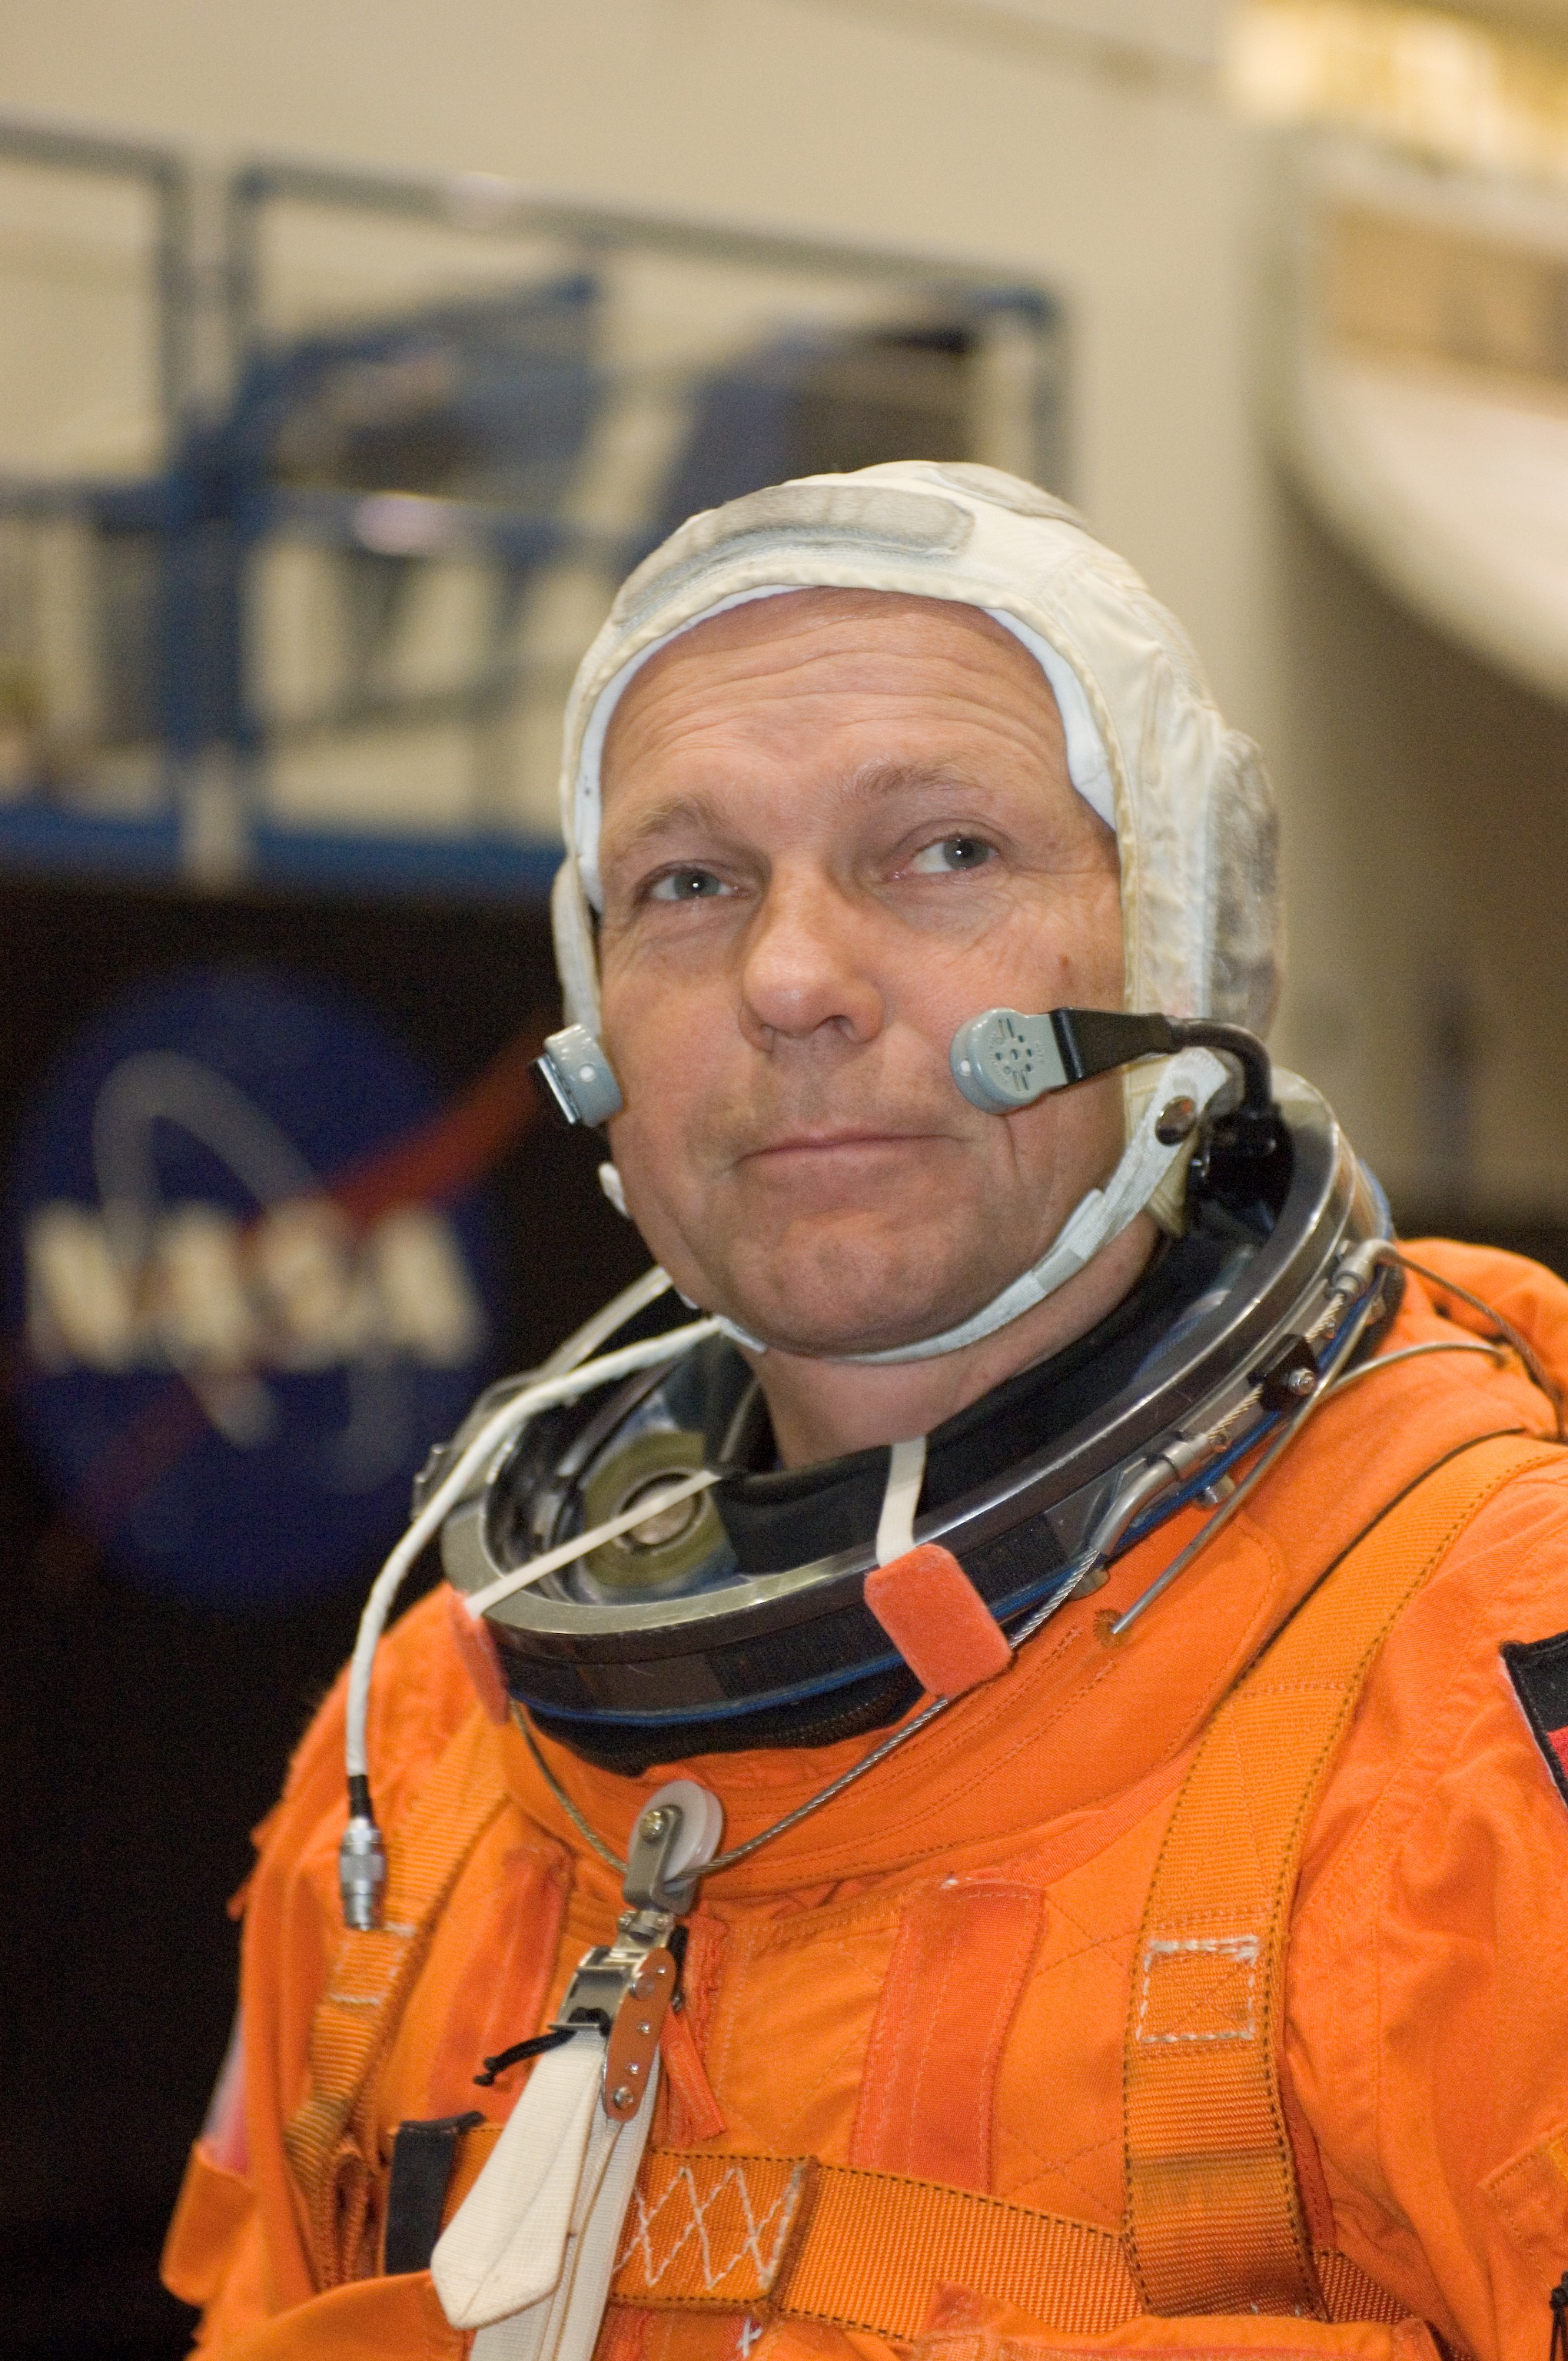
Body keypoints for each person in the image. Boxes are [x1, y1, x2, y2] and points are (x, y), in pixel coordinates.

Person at [163, 463, 1568, 2361]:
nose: (793, 978)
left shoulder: (1475, 1691)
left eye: (943, 852)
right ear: (593, 1032)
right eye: (690, 883)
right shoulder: (424, 1746)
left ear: (1182, 943)